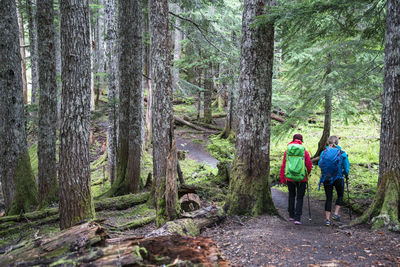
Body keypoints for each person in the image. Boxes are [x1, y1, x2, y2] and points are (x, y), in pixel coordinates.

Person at [280, 134, 312, 225]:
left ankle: (291, 215)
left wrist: (283, 178)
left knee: (291, 195)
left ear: (293, 139)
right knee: (300, 198)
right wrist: (307, 173)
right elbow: (308, 165)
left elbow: (283, 165)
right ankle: (297, 218)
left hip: (290, 177)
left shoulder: (288, 151)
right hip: (302, 178)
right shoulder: (304, 151)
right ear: (301, 140)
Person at [318, 136, 350, 226]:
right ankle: (335, 214)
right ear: (337, 143)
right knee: (340, 195)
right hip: (338, 178)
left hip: (326, 178)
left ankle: (327, 220)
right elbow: (346, 168)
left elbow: (320, 164)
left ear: (328, 142)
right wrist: (344, 173)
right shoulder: (342, 153)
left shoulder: (324, 152)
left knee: (328, 198)